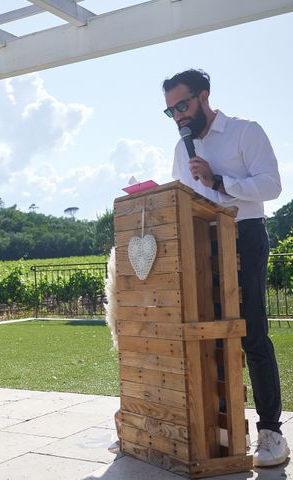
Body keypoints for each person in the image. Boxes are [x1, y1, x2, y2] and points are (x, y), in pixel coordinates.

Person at [163, 69, 289, 467]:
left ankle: (271, 433)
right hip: (200, 242)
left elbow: (271, 186)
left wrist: (220, 182)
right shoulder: (181, 149)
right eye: (170, 112)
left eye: (182, 105)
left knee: (252, 333)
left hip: (245, 235)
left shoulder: (245, 131)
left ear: (203, 96)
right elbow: (178, 194)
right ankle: (219, 429)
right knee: (210, 336)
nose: (179, 116)